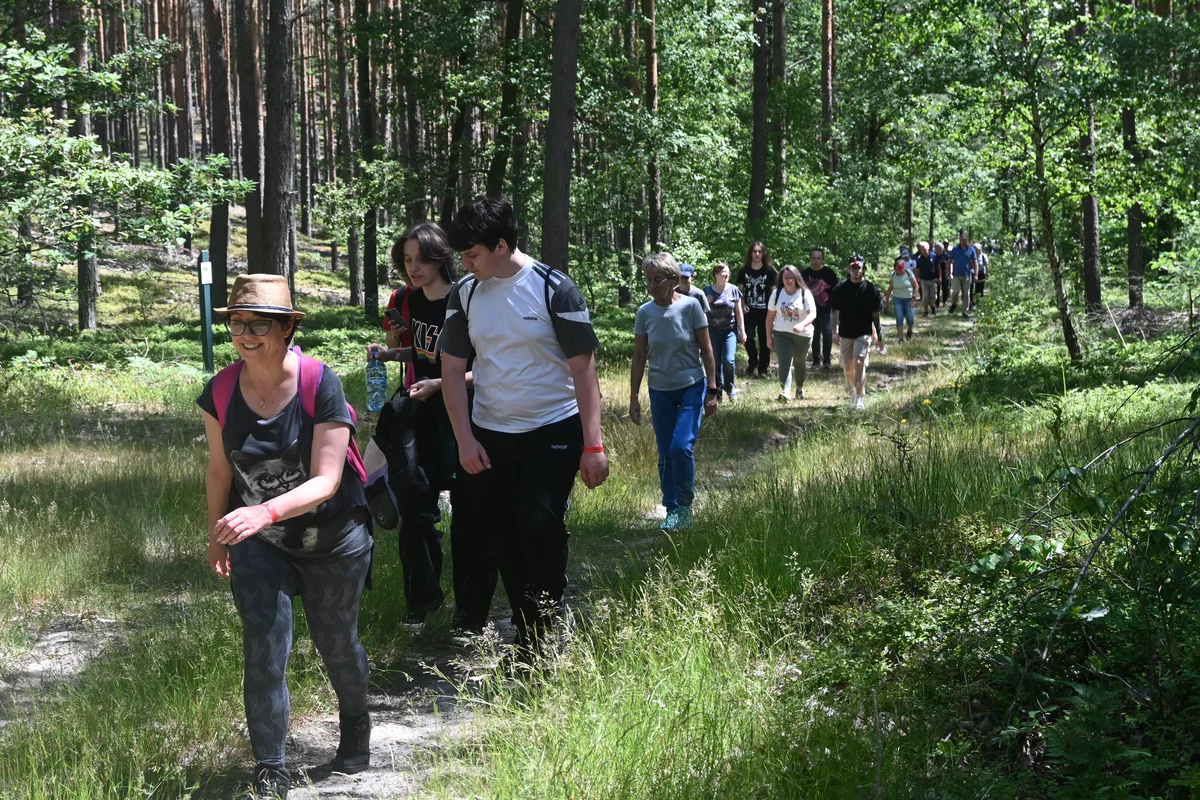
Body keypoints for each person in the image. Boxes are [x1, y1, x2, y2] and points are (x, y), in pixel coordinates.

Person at [199, 274, 372, 799]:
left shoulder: (322, 383)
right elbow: (218, 472)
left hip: (334, 538)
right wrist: (218, 535)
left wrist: (262, 512)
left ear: (286, 327)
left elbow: (328, 479)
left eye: (260, 324)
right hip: (259, 544)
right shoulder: (221, 391)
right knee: (264, 649)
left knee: (336, 643)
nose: (246, 333)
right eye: (236, 323)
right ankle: (270, 767)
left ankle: (356, 731)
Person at [440, 196, 609, 650]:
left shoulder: (555, 288)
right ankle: (530, 632)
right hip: (492, 433)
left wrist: (593, 445)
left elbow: (584, 372)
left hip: (554, 427)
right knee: (502, 534)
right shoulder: (466, 293)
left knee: (537, 523)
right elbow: (453, 371)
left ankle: (547, 611)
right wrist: (464, 440)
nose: (465, 262)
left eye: (472, 254)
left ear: (501, 245)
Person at [369, 222, 495, 634]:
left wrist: (443, 383)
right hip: (419, 418)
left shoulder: (468, 297)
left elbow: (487, 367)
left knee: (470, 515)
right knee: (414, 510)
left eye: (421, 259)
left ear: (440, 256)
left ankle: (470, 610)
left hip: (463, 419)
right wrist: (393, 353)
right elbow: (426, 352)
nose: (413, 267)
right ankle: (422, 601)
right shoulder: (409, 300)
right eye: (406, 260)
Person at [630, 252, 720, 531]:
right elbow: (639, 356)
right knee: (666, 451)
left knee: (682, 447)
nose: (652, 285)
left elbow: (706, 350)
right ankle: (671, 508)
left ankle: (685, 504)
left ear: (673, 280)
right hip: (659, 390)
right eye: (648, 280)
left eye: (658, 279)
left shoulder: (691, 307)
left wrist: (713, 389)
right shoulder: (645, 313)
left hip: (692, 385)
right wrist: (633, 397)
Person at [830, 255, 883, 411]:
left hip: (863, 332)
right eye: (853, 267)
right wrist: (834, 331)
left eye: (858, 267)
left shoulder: (871, 289)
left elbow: (875, 315)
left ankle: (859, 397)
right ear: (849, 269)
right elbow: (834, 312)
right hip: (846, 332)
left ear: (863, 269)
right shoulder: (840, 288)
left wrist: (879, 337)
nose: (855, 270)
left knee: (859, 361)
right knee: (848, 367)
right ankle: (856, 390)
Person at [766, 264, 817, 402]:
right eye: (785, 277)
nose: (788, 280)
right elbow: (770, 317)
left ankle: (799, 388)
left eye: (791, 278)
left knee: (799, 362)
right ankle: (785, 392)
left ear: (796, 278)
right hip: (781, 333)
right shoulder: (776, 294)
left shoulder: (804, 293)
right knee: (785, 361)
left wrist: (802, 324)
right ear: (781, 279)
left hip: (803, 334)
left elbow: (813, 314)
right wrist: (768, 337)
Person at [703, 262, 746, 402]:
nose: (725, 274)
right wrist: (706, 302)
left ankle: (730, 387)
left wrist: (742, 331)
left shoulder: (734, 290)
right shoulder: (707, 291)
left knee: (729, 361)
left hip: (730, 331)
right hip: (712, 331)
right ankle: (717, 392)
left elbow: (739, 312)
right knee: (714, 362)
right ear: (715, 274)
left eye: (727, 272)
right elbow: (700, 312)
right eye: (722, 272)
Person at [736, 241, 777, 378]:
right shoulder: (744, 270)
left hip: (765, 311)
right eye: (755, 251)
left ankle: (763, 368)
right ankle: (753, 361)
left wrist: (775, 308)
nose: (757, 254)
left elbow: (774, 291)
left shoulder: (769, 271)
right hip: (748, 311)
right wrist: (741, 304)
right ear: (751, 253)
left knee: (765, 339)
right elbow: (740, 291)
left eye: (760, 251)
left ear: (763, 253)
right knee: (748, 337)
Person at [802, 247, 838, 370]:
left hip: (826, 310)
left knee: (827, 333)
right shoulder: (805, 274)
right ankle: (816, 361)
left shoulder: (829, 273)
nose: (816, 261)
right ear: (810, 258)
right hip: (810, 311)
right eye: (813, 258)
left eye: (818, 258)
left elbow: (836, 291)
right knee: (814, 334)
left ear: (822, 259)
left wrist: (835, 308)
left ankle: (827, 360)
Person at [884, 255, 920, 341]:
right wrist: (886, 302)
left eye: (901, 268)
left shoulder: (909, 273)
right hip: (897, 299)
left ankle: (909, 330)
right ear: (895, 269)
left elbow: (916, 286)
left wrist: (914, 297)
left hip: (909, 298)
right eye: (898, 268)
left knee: (910, 318)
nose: (900, 270)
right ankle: (900, 338)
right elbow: (890, 289)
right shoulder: (893, 275)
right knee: (899, 317)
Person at [948, 231, 978, 317]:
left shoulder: (971, 250)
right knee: (955, 292)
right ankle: (954, 304)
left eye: (965, 240)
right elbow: (949, 261)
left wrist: (976, 274)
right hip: (956, 275)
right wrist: (948, 272)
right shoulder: (955, 249)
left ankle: (965, 311)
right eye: (962, 240)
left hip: (967, 275)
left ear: (967, 240)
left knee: (966, 293)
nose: (963, 241)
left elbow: (975, 263)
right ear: (960, 240)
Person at [915, 241, 939, 317]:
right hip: (923, 280)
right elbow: (917, 270)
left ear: (928, 248)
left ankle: (932, 305)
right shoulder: (919, 259)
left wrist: (940, 277)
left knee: (934, 297)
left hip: (933, 279)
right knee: (925, 297)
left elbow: (938, 268)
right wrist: (917, 280)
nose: (923, 250)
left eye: (924, 249)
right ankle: (925, 311)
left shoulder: (934, 256)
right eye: (922, 249)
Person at [973, 242, 989, 309]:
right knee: (974, 288)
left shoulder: (983, 256)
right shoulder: (973, 256)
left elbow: (986, 265)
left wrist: (987, 273)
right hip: (974, 273)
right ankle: (974, 303)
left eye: (978, 249)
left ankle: (980, 303)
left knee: (981, 288)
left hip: (981, 273)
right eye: (976, 249)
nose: (977, 250)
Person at [936, 241, 952, 307]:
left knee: (945, 288)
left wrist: (950, 273)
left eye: (940, 248)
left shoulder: (946, 255)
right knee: (937, 289)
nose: (939, 250)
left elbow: (950, 264)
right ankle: (937, 303)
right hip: (936, 274)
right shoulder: (934, 256)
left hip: (945, 273)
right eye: (937, 248)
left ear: (942, 249)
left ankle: (944, 301)